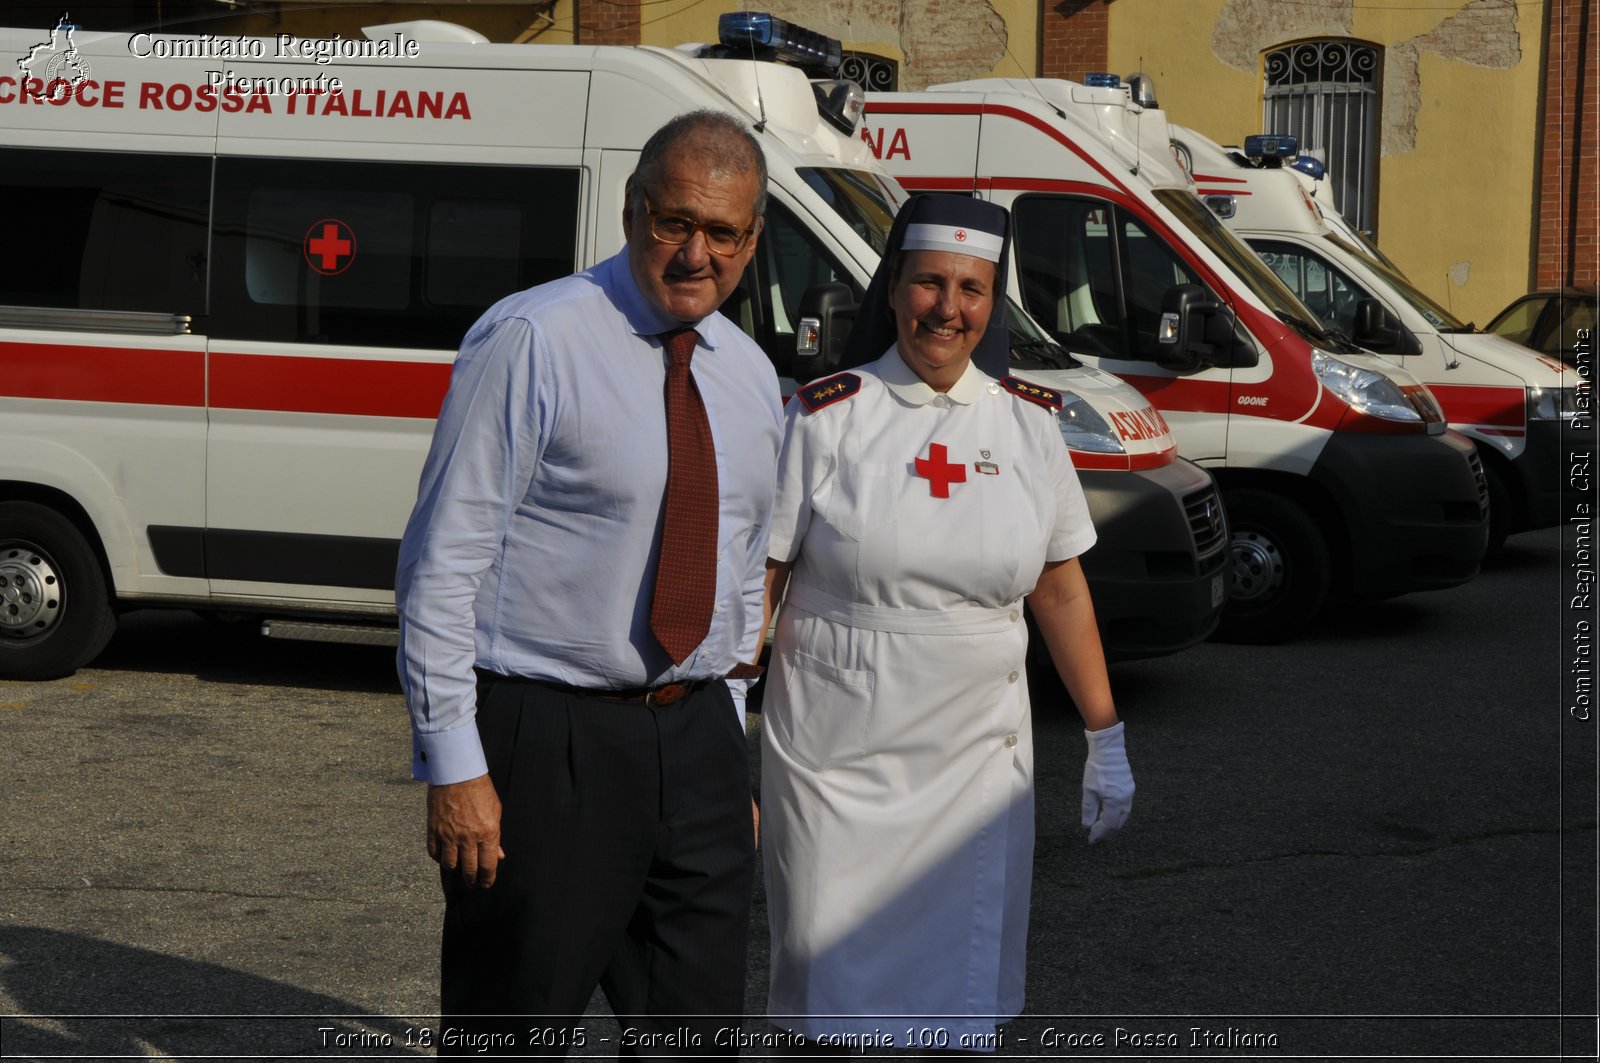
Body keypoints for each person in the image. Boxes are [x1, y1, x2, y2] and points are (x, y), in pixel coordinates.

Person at [395, 110, 781, 1056]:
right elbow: (442, 563)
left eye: (723, 232)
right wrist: (456, 764)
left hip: (693, 741)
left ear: (752, 240)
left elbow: (736, 568)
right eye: (673, 221)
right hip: (546, 742)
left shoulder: (750, 376)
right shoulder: (533, 339)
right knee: (512, 1028)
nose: (696, 253)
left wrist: (725, 737)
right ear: (631, 209)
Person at [759, 194, 1135, 1051]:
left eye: (971, 289)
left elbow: (1062, 589)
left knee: (951, 1014)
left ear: (992, 304)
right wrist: (715, 727)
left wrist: (1104, 735)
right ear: (894, 290)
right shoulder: (825, 416)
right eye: (930, 282)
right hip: (834, 765)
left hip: (974, 767)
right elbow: (762, 587)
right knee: (828, 997)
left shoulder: (1030, 425)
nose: (948, 308)